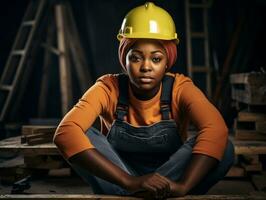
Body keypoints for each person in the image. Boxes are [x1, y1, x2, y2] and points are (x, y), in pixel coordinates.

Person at [54, 2, 234, 199]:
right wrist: (129, 181)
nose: (146, 67)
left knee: (224, 147)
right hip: (119, 176)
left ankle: (139, 195)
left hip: (171, 177)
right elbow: (65, 132)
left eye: (156, 59)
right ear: (124, 60)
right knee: (83, 132)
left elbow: (216, 129)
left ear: (167, 62)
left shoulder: (180, 88)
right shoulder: (107, 87)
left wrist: (183, 186)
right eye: (136, 58)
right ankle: (140, 193)